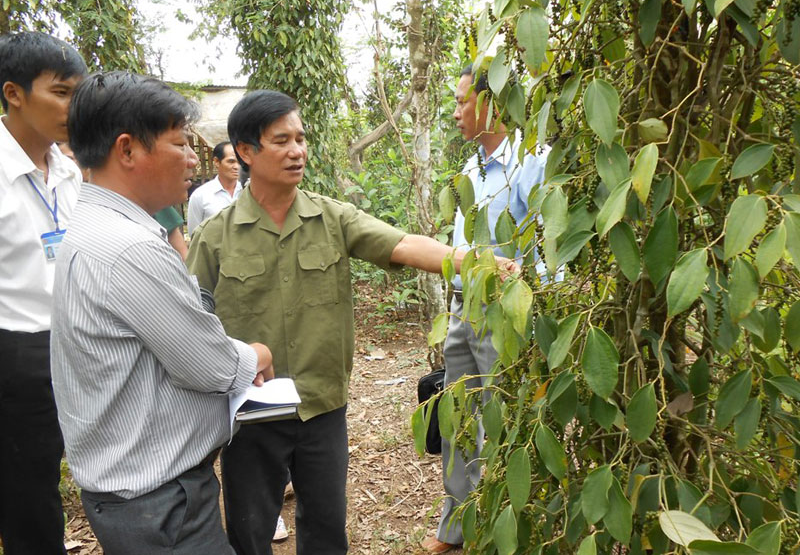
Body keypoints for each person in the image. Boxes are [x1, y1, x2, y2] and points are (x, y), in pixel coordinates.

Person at [186, 89, 517, 555]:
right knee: (249, 532)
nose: (297, 151)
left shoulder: (332, 218)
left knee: (326, 529)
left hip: (322, 407)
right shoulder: (214, 237)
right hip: (251, 415)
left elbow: (403, 244)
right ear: (246, 151)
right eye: (281, 141)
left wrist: (478, 262)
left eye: (300, 138)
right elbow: (192, 324)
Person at [50, 71, 274, 555]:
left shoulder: (94, 226)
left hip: (137, 497)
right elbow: (213, 366)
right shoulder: (129, 248)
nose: (193, 159)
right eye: (180, 143)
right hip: (161, 504)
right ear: (127, 150)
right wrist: (258, 353)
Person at [421, 65, 549, 553]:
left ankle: (504, 524)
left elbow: (547, 245)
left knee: (502, 421)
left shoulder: (531, 163)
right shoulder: (472, 170)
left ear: (492, 103)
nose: (455, 113)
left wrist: (533, 304)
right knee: (456, 416)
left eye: (462, 102)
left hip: (503, 317)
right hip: (462, 310)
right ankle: (456, 525)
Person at [0, 31, 87, 555]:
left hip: (68, 345)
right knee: (27, 497)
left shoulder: (69, 172)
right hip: (14, 351)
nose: (73, 107)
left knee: (43, 483)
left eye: (78, 93)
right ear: (14, 93)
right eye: (60, 92)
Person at [187, 140, 242, 235]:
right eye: (231, 161)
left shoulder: (248, 192)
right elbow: (194, 235)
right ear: (216, 162)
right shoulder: (200, 195)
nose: (237, 167)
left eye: (240, 161)